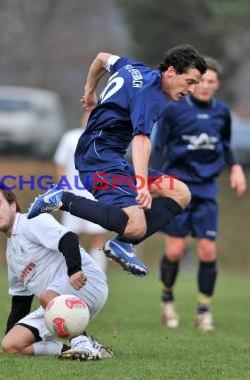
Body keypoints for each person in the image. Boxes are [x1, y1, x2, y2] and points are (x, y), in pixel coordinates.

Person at [27, 45, 207, 277]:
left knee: (181, 193)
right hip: (97, 158)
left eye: (196, 84)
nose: (192, 89)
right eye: (190, 81)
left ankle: (122, 243)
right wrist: (141, 185)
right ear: (171, 71)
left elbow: (101, 58)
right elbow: (141, 140)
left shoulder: (135, 68)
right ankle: (63, 199)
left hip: (111, 158)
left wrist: (89, 90)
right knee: (136, 226)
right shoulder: (151, 96)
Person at [150, 57, 246, 331]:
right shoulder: (174, 110)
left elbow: (225, 145)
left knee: (207, 250)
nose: (205, 85)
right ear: (194, 81)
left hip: (206, 190)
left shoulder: (222, 113)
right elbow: (159, 148)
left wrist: (236, 167)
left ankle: (204, 310)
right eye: (201, 80)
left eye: (211, 81)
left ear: (217, 85)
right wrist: (152, 181)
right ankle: (167, 300)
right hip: (178, 188)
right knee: (176, 250)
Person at [0, 186, 113, 361]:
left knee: (47, 295)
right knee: (11, 345)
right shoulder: (11, 254)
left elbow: (68, 238)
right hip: (55, 302)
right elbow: (20, 301)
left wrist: (75, 270)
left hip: (87, 281)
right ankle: (76, 347)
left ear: (13, 205)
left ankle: (82, 343)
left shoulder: (31, 221)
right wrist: (10, 332)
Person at [53, 110, 109, 272]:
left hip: (96, 196)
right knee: (72, 236)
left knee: (97, 236)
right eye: (87, 115)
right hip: (73, 196)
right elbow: (60, 164)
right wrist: (63, 189)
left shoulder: (103, 139)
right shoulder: (70, 138)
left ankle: (98, 274)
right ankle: (74, 271)